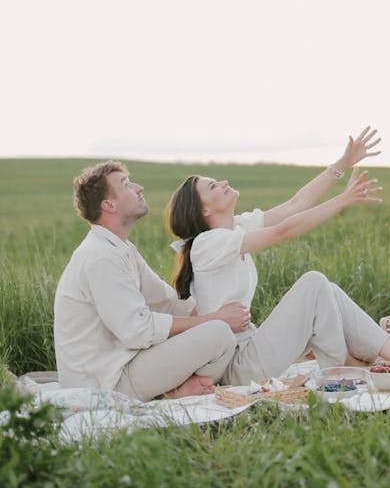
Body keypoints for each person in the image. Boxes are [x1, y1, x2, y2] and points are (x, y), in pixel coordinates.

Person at [167, 128, 390, 385]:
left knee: (326, 289)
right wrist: (343, 199)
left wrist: (343, 163)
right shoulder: (208, 243)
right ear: (203, 210)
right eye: (213, 186)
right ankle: (342, 369)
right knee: (314, 283)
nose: (223, 182)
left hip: (252, 347)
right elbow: (283, 231)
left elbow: (297, 204)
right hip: (237, 365)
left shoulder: (236, 227)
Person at [54, 160, 252, 402]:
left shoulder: (121, 249)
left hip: (126, 363)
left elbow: (165, 302)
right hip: (104, 382)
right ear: (109, 205)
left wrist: (214, 301)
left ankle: (174, 388)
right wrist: (214, 318)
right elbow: (137, 331)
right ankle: (169, 392)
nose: (139, 187)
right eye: (126, 184)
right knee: (219, 333)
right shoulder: (100, 257)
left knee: (217, 331)